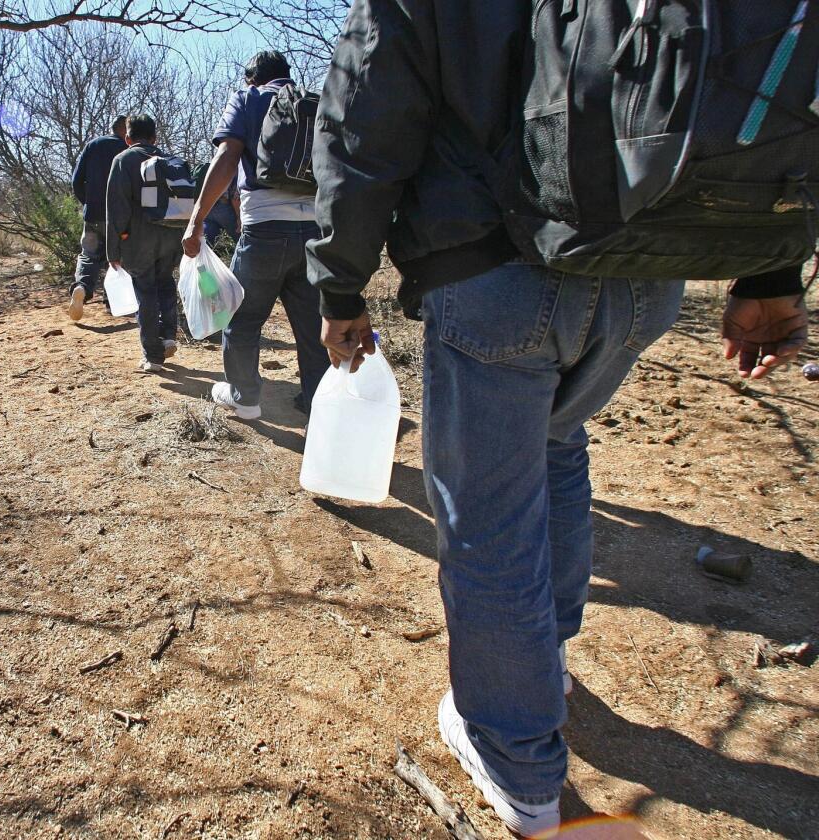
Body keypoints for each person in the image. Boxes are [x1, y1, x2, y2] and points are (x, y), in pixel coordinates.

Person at [304, 1, 810, 837]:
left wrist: (339, 285)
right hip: (648, 269)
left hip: (495, 272)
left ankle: (517, 761)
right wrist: (770, 267)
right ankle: (550, 657)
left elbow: (366, 123)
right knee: (556, 445)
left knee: (488, 517)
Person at [183, 50, 328, 419]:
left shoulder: (249, 99)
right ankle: (319, 402)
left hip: (265, 230)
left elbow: (228, 156)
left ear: (252, 78)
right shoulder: (317, 104)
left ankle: (245, 398)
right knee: (313, 325)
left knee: (240, 318)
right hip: (315, 231)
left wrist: (197, 218)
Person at [105, 114, 183, 373]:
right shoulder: (169, 160)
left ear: (127, 138)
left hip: (138, 240)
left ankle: (153, 355)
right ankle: (169, 334)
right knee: (165, 283)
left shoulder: (122, 161)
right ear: (154, 137)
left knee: (146, 292)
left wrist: (113, 249)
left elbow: (117, 209)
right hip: (171, 237)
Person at [68, 115, 129, 321]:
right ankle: (112, 302)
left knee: (89, 255)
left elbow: (76, 180)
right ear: (125, 130)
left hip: (93, 214)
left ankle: (82, 288)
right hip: (118, 217)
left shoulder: (93, 145)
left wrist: (88, 203)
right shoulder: (128, 149)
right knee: (118, 257)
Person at [204, 177, 240, 248]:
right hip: (223, 207)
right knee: (242, 240)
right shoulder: (234, 167)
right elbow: (235, 197)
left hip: (206, 208)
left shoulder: (208, 167)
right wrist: (239, 217)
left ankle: (200, 258)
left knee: (206, 245)